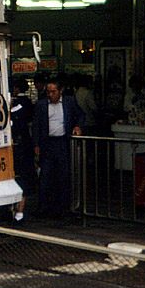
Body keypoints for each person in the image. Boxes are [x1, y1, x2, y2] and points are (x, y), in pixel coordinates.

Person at [33, 79, 85, 220]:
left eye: (53, 92)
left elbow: (80, 115)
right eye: (48, 92)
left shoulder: (69, 102)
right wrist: (36, 145)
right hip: (47, 143)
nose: (50, 95)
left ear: (60, 91)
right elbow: (36, 125)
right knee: (45, 176)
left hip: (62, 142)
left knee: (63, 175)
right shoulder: (41, 105)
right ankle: (44, 207)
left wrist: (78, 126)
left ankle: (63, 207)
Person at [10, 77, 37, 222]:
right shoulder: (27, 103)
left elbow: (13, 116)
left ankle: (18, 209)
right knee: (23, 177)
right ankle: (19, 210)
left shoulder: (20, 103)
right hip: (24, 144)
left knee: (20, 177)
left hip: (19, 145)